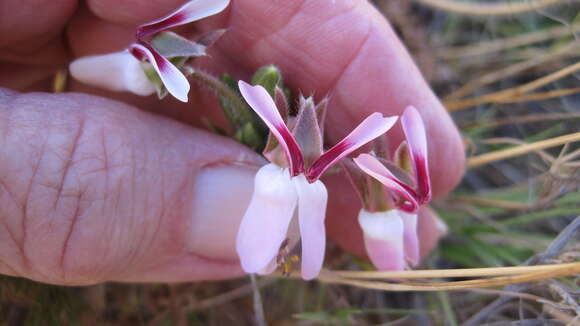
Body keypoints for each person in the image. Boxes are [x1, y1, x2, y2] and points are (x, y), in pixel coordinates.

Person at [0, 0, 464, 285]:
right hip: (270, 151)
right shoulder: (293, 179)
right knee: (290, 190)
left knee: (297, 194)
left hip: (282, 160)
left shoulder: (302, 183)